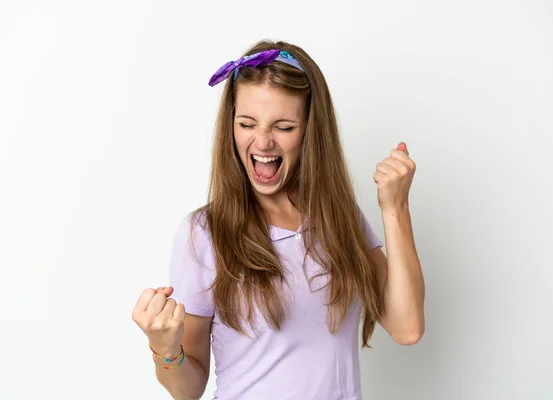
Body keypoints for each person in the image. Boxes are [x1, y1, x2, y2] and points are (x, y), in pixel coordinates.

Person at [132, 40, 425, 400]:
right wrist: (166, 349)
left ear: (310, 133)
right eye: (247, 123)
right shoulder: (203, 234)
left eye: (284, 127)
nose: (263, 141)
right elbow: (188, 389)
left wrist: (395, 209)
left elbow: (407, 326)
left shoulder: (339, 218)